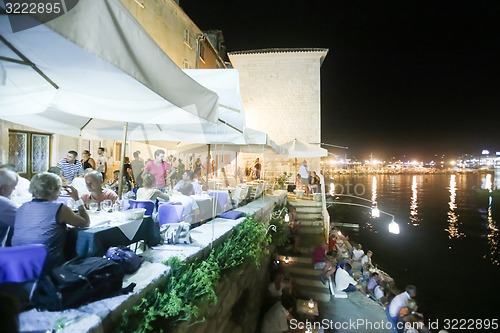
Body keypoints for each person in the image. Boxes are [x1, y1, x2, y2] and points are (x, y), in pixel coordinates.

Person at [11, 172, 89, 271]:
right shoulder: (59, 209)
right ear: (53, 189)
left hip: (19, 264)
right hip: (48, 265)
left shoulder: (22, 207)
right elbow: (85, 222)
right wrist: (77, 199)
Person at [0, 169, 18, 246]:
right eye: (13, 187)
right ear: (4, 189)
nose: (14, 189)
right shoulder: (4, 204)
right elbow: (26, 224)